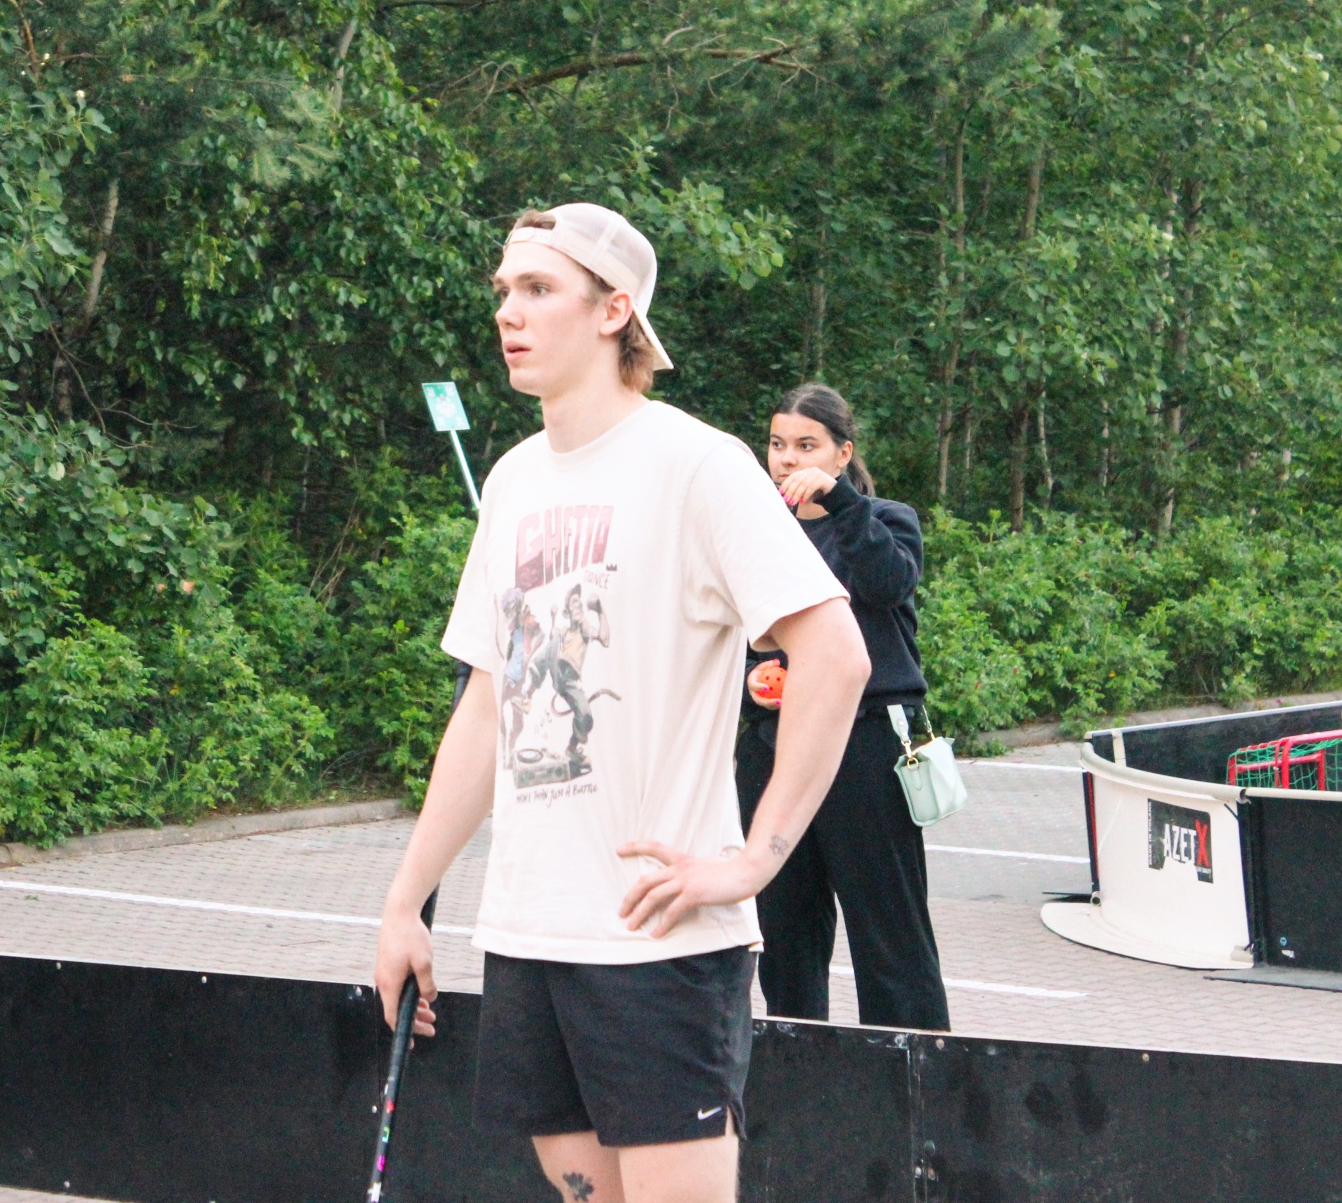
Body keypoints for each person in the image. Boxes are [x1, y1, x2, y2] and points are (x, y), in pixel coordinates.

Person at [374, 203, 870, 1203]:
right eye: (504, 290)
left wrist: (754, 859)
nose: (509, 311)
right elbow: (489, 706)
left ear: (615, 311)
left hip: (658, 944)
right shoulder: (513, 482)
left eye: (539, 288)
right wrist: (404, 901)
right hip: (528, 935)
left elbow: (838, 656)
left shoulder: (698, 465)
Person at [734, 384, 951, 1030]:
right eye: (778, 444)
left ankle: (913, 1065)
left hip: (866, 744)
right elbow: (730, 633)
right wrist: (749, 679)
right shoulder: (756, 532)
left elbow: (887, 585)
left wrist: (842, 502)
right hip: (775, 743)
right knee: (783, 930)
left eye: (807, 445)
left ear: (842, 453)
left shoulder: (884, 519)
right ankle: (798, 1060)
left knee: (889, 931)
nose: (787, 459)